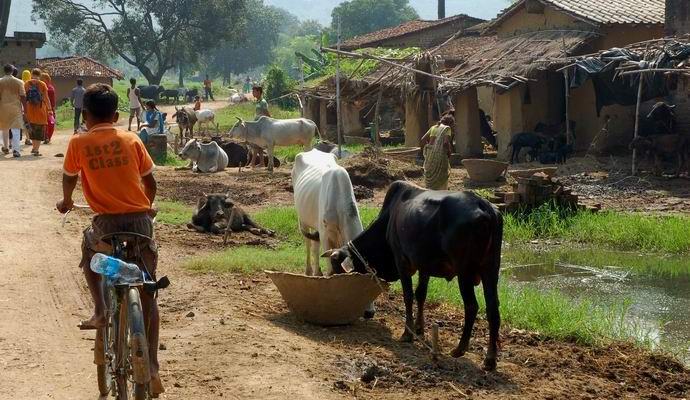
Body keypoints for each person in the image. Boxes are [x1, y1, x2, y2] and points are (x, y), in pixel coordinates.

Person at [56, 83, 164, 396]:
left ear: (85, 116)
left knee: (89, 247)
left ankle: (101, 310)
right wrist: (148, 205)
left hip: (105, 227)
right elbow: (150, 182)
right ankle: (153, 367)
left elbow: (69, 177)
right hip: (140, 225)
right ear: (116, 115)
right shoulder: (131, 139)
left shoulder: (79, 142)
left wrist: (65, 201)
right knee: (148, 290)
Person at [420, 114, 454, 190]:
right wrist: (449, 152)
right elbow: (445, 143)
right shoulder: (447, 128)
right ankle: (441, 193)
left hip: (430, 155)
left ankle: (430, 192)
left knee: (430, 172)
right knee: (441, 175)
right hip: (440, 156)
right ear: (450, 123)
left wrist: (430, 148)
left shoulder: (433, 127)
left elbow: (422, 140)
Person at [24, 68, 52, 156]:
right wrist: (49, 109)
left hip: (30, 110)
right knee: (39, 129)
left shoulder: (27, 83)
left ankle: (33, 147)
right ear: (40, 75)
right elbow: (46, 98)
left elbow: (24, 97)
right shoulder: (42, 84)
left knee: (32, 128)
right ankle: (36, 149)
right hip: (40, 110)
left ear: (31, 74)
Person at [0, 64, 26, 158]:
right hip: (15, 108)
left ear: (4, 71)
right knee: (16, 130)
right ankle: (16, 150)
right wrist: (25, 109)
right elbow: (23, 96)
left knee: (5, 128)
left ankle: (6, 147)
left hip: (3, 108)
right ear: (12, 71)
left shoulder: (0, 81)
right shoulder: (19, 82)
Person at [41, 72, 57, 144]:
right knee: (47, 123)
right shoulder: (48, 88)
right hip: (44, 108)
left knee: (49, 123)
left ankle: (47, 137)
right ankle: (46, 137)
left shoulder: (49, 88)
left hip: (48, 108)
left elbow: (52, 100)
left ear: (47, 79)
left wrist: (52, 108)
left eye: (43, 79)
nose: (41, 80)